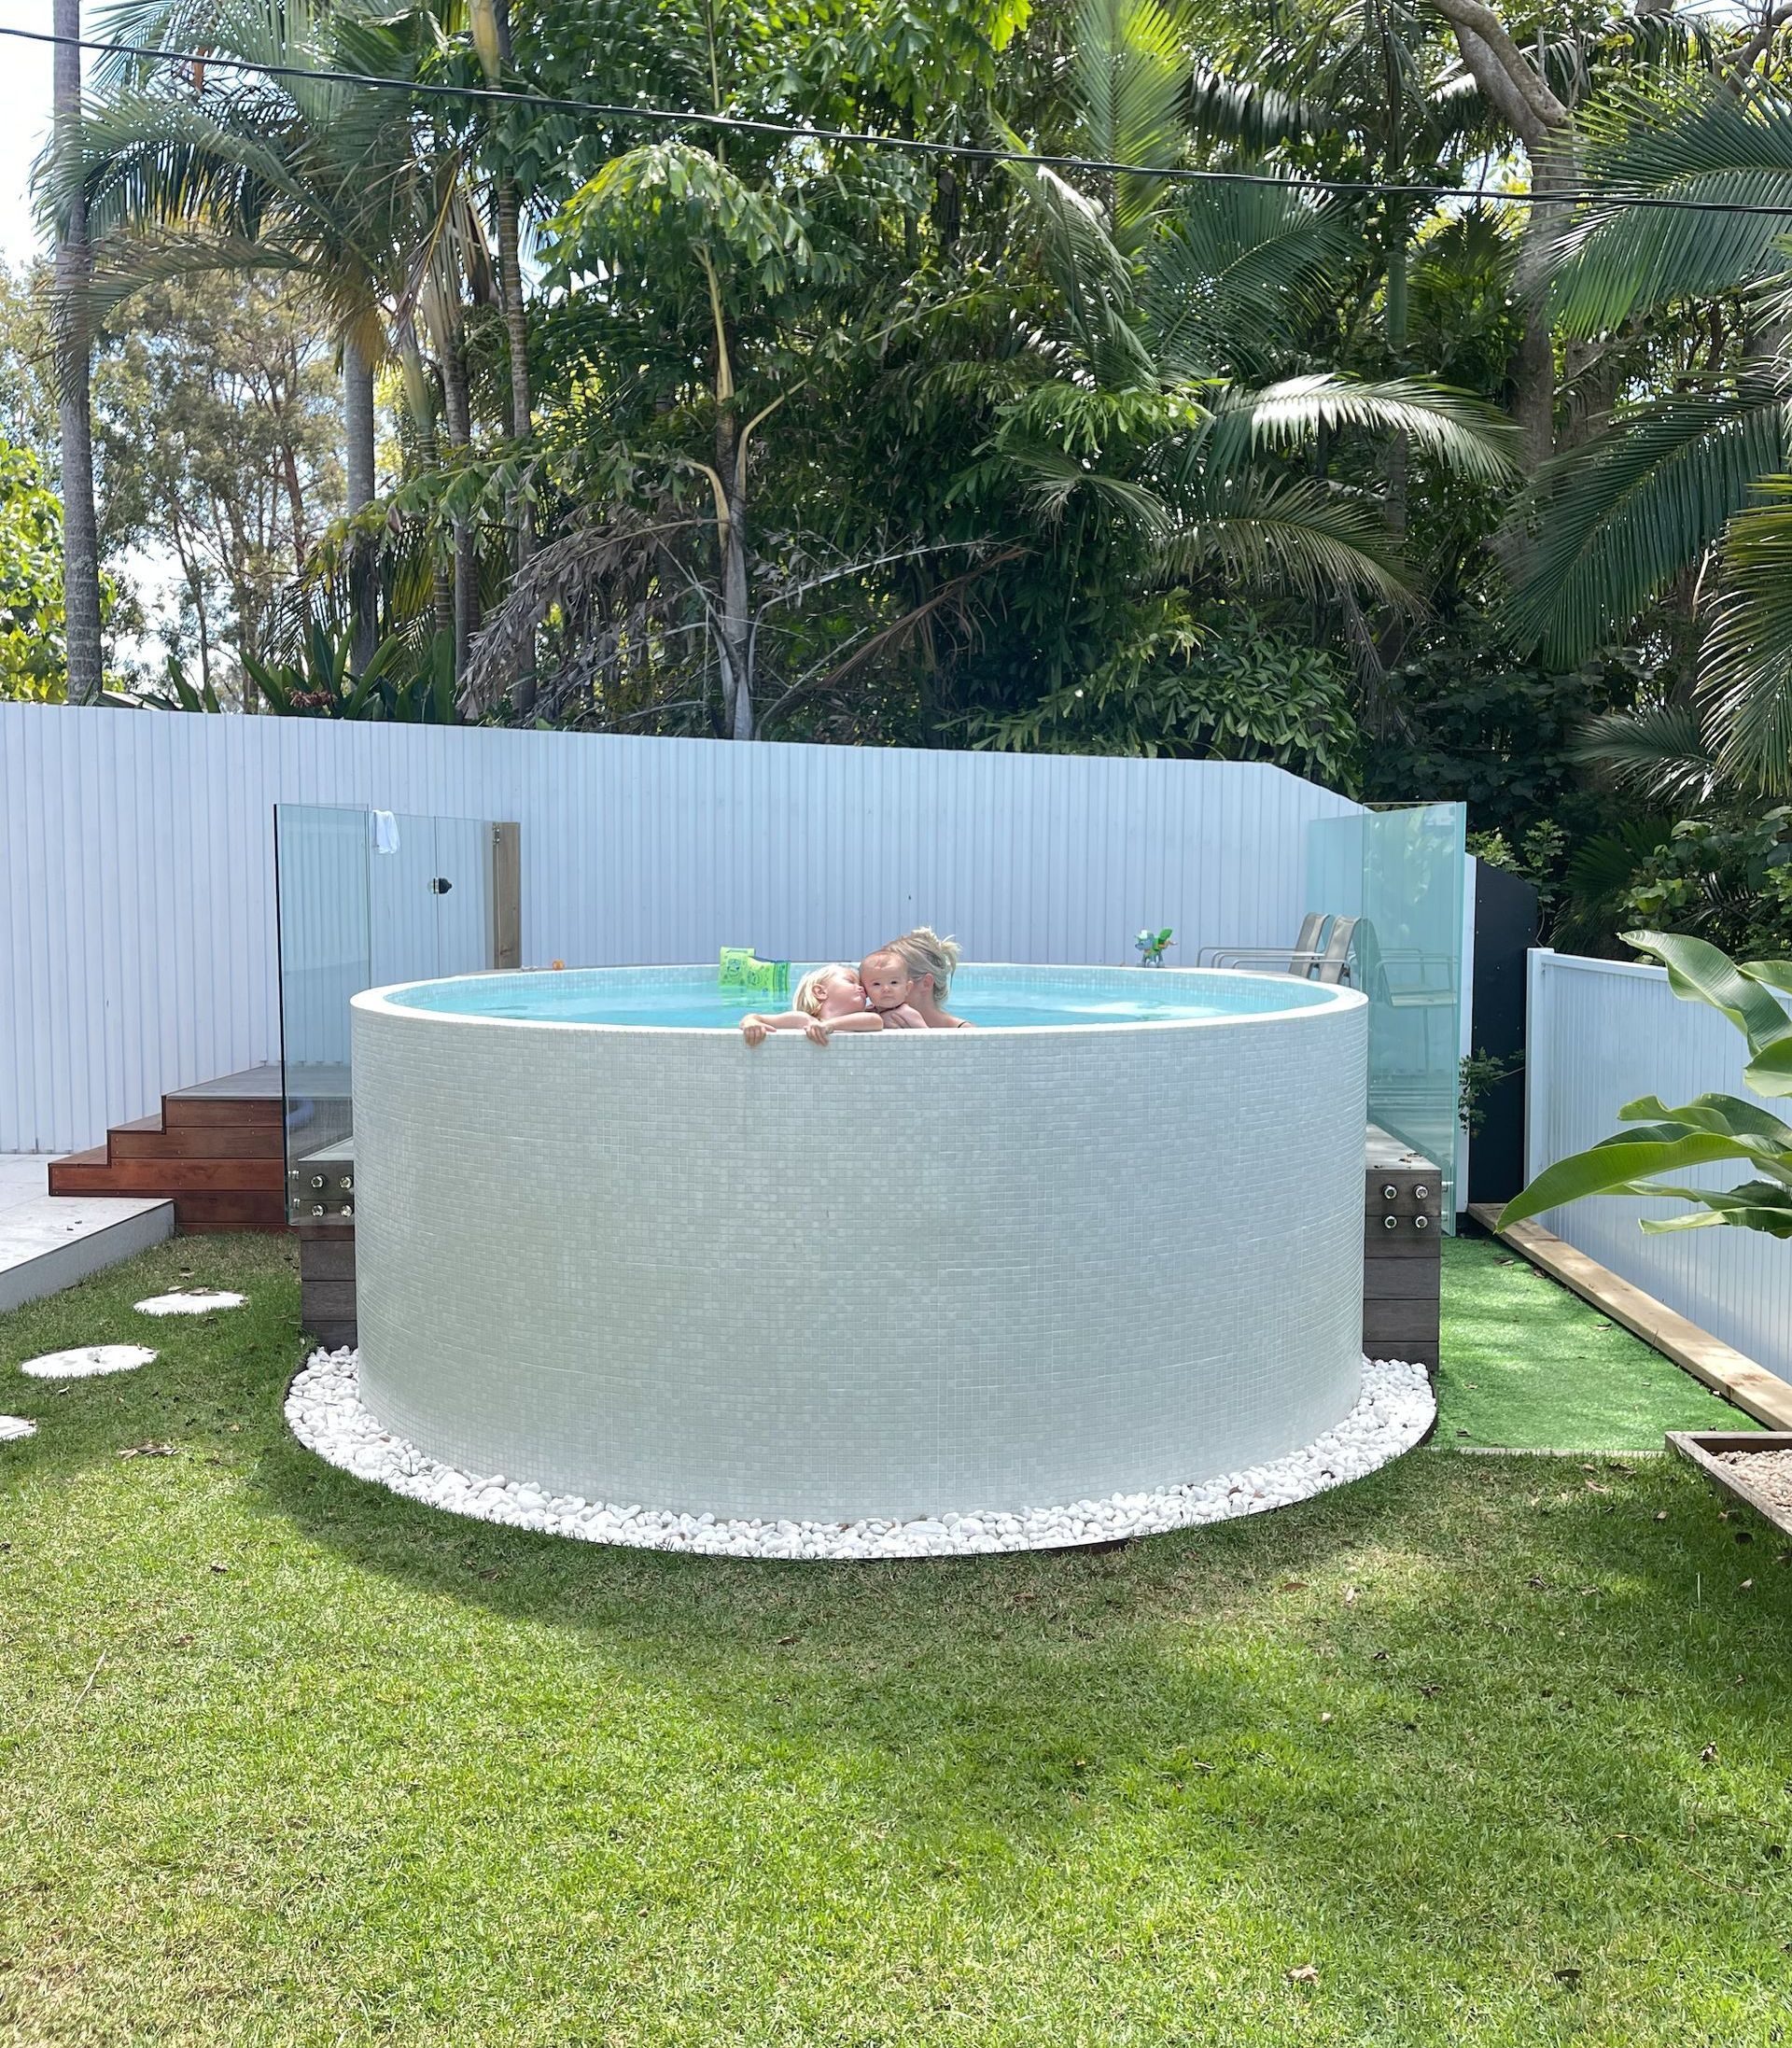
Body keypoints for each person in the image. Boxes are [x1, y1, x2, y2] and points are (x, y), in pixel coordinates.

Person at [739, 964, 922, 1046]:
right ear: (820, 992)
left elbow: (875, 1021)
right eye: (851, 981)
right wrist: (750, 1023)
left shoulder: (867, 1018)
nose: (861, 988)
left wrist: (830, 1026)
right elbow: (756, 1017)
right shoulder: (804, 1020)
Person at [865, 926, 974, 1029]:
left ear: (926, 983)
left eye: (893, 982)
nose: (883, 990)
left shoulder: (964, 1031)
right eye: (877, 983)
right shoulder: (875, 1018)